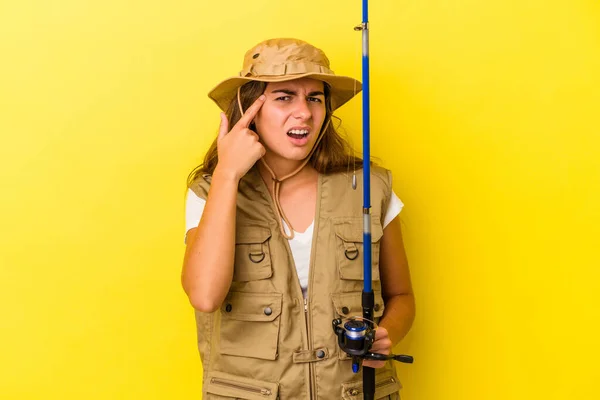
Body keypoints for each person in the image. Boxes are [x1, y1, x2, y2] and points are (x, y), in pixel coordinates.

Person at [181, 38, 415, 400]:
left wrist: (389, 333)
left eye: (315, 98)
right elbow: (205, 295)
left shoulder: (370, 187)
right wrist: (228, 174)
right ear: (250, 108)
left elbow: (402, 295)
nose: (304, 112)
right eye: (284, 97)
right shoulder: (209, 192)